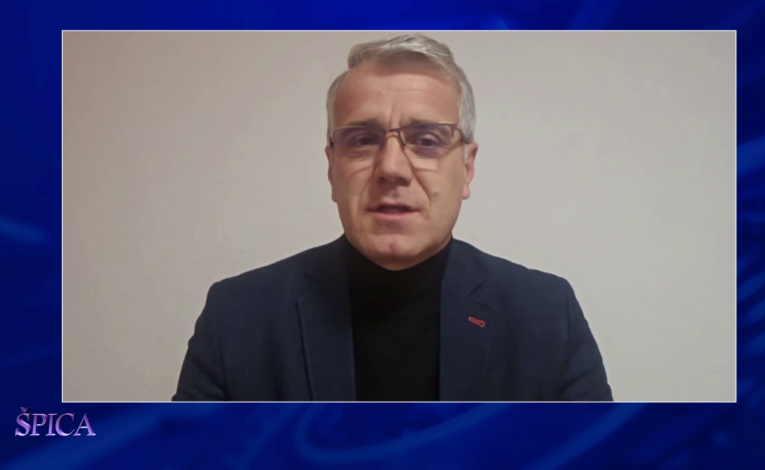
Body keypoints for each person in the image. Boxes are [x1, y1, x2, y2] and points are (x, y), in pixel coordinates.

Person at [173, 33, 612, 401]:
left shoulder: (547, 315)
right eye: (363, 140)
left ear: (467, 169)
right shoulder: (236, 318)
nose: (392, 168)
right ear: (332, 168)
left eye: (427, 139)